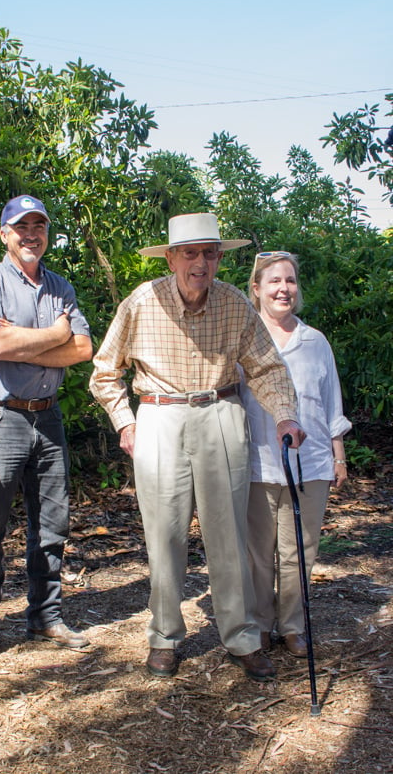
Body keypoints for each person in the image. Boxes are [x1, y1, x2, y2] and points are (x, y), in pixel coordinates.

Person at [90, 213, 305, 681]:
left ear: (219, 259)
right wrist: (126, 423)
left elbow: (267, 368)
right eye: (190, 253)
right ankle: (165, 635)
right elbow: (105, 370)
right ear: (170, 258)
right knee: (164, 536)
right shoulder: (142, 301)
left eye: (210, 253)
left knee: (228, 537)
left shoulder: (233, 303)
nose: (201, 263)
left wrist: (285, 414)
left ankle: (242, 637)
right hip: (160, 416)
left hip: (221, 414)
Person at [0, 194, 93, 663]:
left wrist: (27, 344)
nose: (31, 234)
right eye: (21, 226)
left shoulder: (60, 286)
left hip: (48, 415)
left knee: (52, 523)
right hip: (0, 416)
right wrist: (54, 335)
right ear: (5, 234)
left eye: (39, 225)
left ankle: (45, 615)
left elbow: (82, 350)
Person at [240, 251, 351, 657]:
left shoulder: (315, 341)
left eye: (289, 281)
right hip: (258, 462)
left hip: (312, 463)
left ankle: (291, 626)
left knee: (299, 552)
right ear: (257, 289)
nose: (283, 289)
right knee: (257, 553)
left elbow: (330, 403)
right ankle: (257, 624)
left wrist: (338, 456)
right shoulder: (244, 339)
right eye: (273, 281)